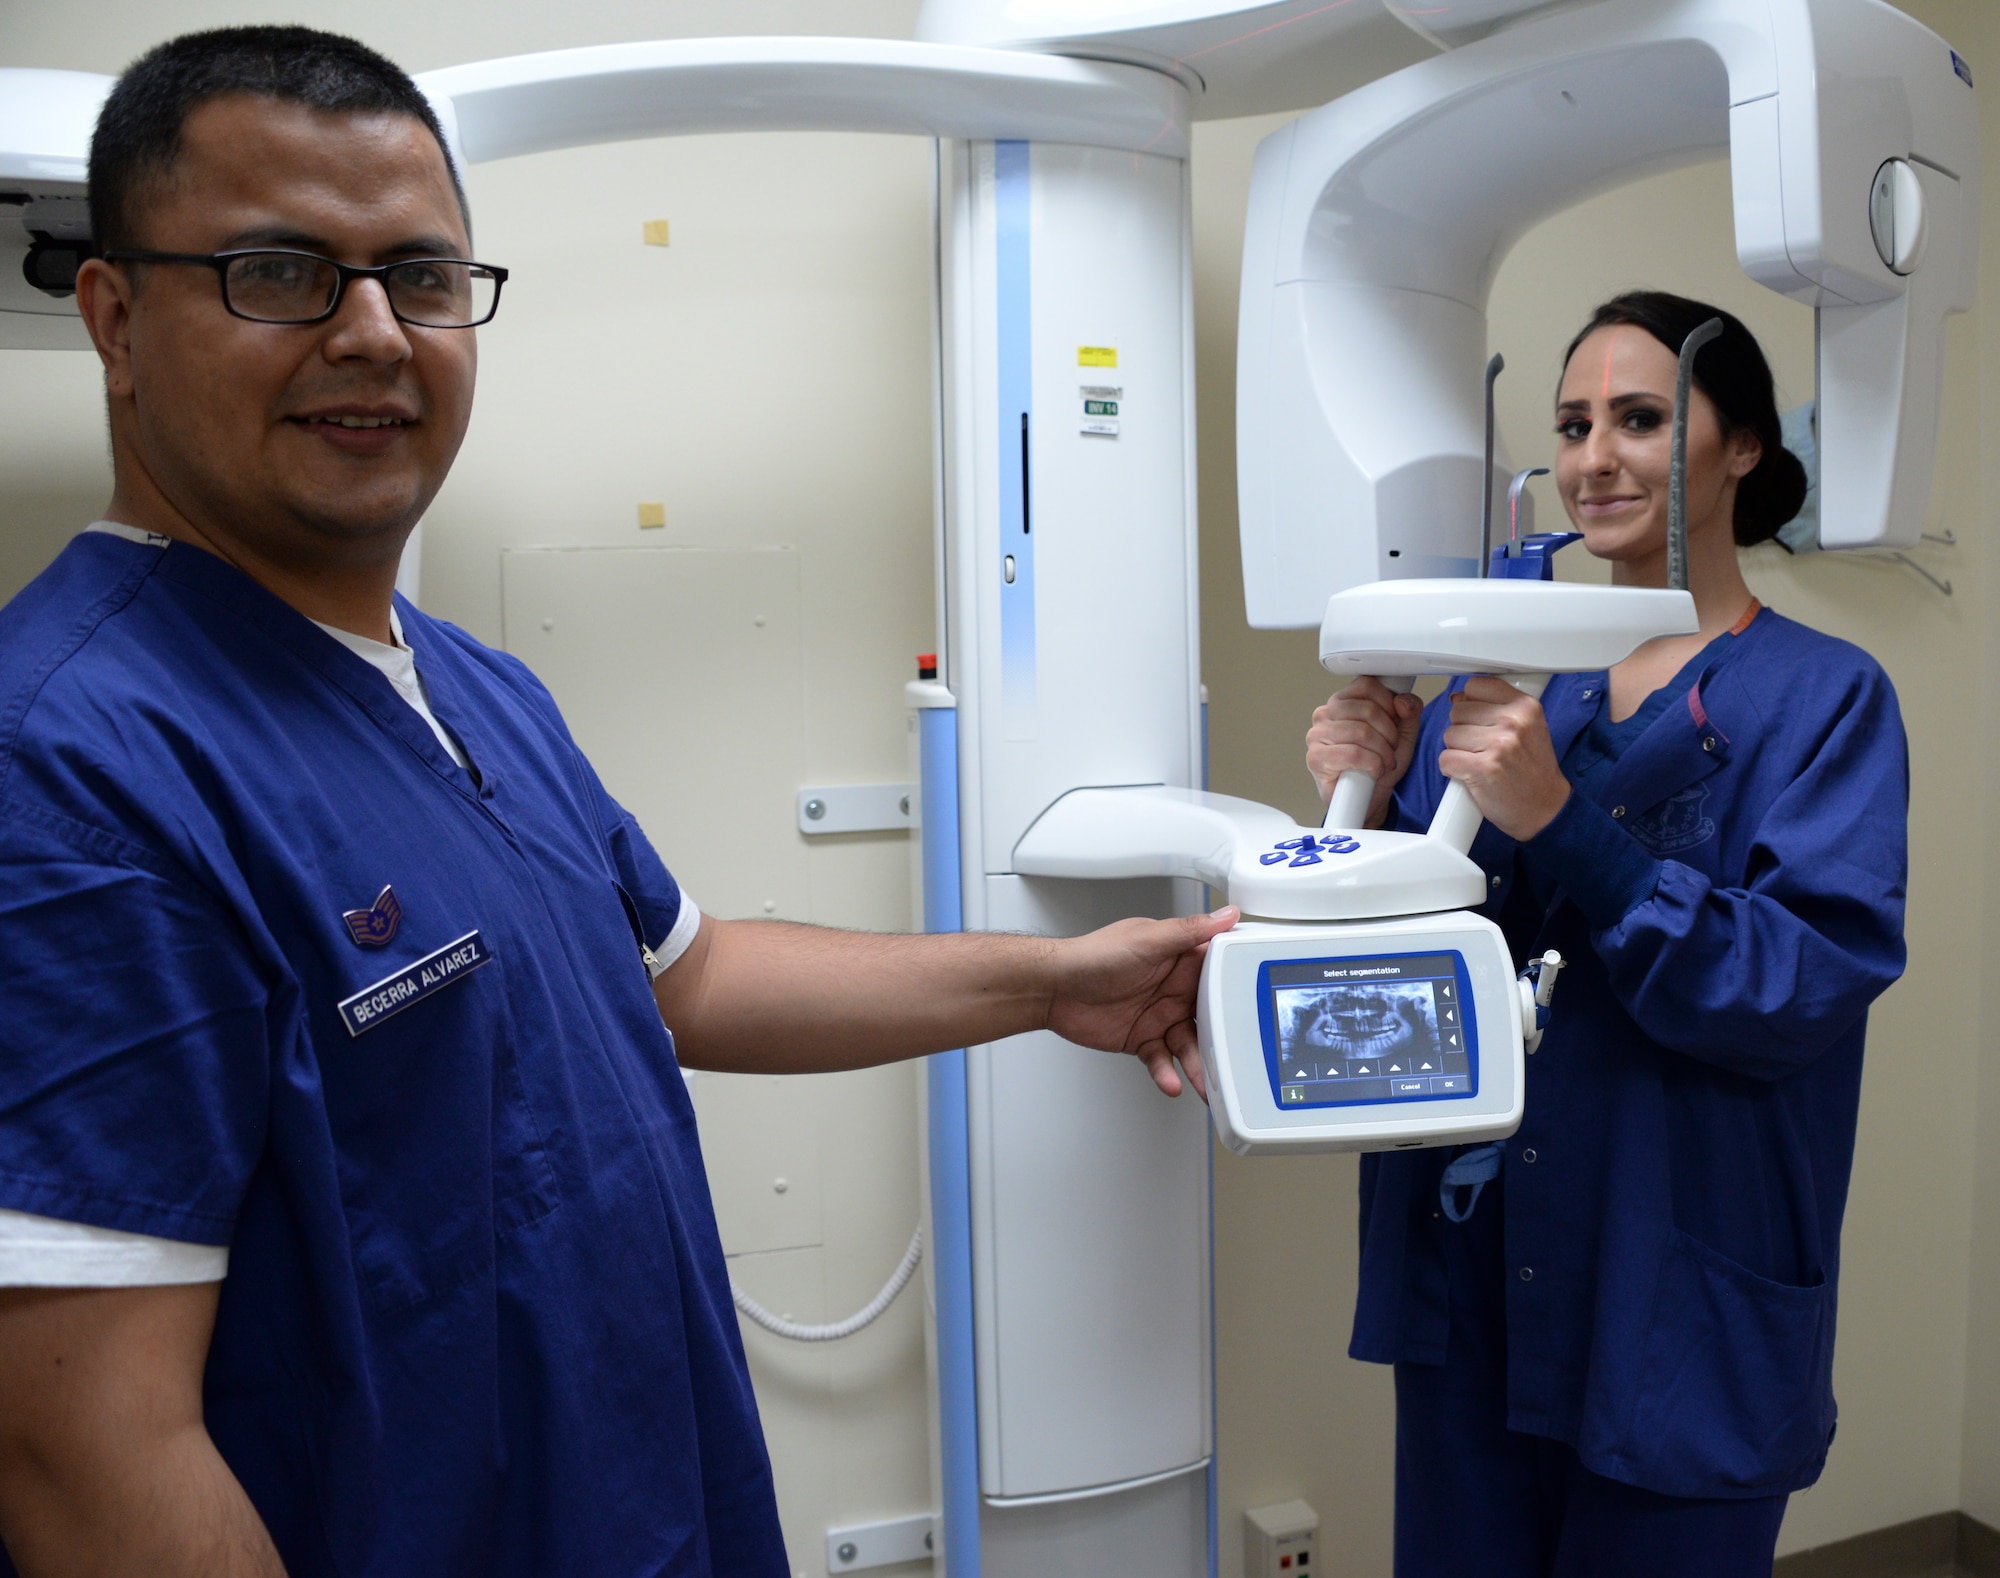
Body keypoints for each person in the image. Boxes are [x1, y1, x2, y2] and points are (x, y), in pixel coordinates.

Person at [0, 28, 1232, 1578]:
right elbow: (82, 1450)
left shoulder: (470, 686)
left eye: (424, 277)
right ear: (115, 315)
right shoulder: (72, 770)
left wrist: (1056, 981)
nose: (374, 334)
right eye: (280, 272)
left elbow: (685, 975)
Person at [1305, 292, 1907, 1577]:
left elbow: (1795, 985)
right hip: (1475, 1285)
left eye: (1639, 419)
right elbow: (1396, 972)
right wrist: (1359, 792)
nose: (1594, 458)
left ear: (1739, 447)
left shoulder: (1824, 698)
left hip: (1675, 1295)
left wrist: (1566, 824)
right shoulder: (1516, 688)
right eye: (1573, 424)